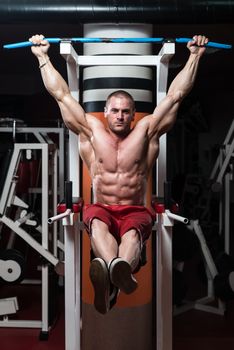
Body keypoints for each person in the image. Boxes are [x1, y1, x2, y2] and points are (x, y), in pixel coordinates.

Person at [29, 34, 208, 314]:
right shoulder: (91, 130)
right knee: (98, 224)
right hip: (102, 207)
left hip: (135, 208)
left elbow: (176, 95)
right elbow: (61, 94)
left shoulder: (146, 131)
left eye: (126, 111)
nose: (120, 116)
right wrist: (42, 56)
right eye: (115, 111)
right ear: (105, 111)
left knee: (133, 238)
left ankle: (112, 271)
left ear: (134, 114)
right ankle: (116, 272)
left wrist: (195, 56)